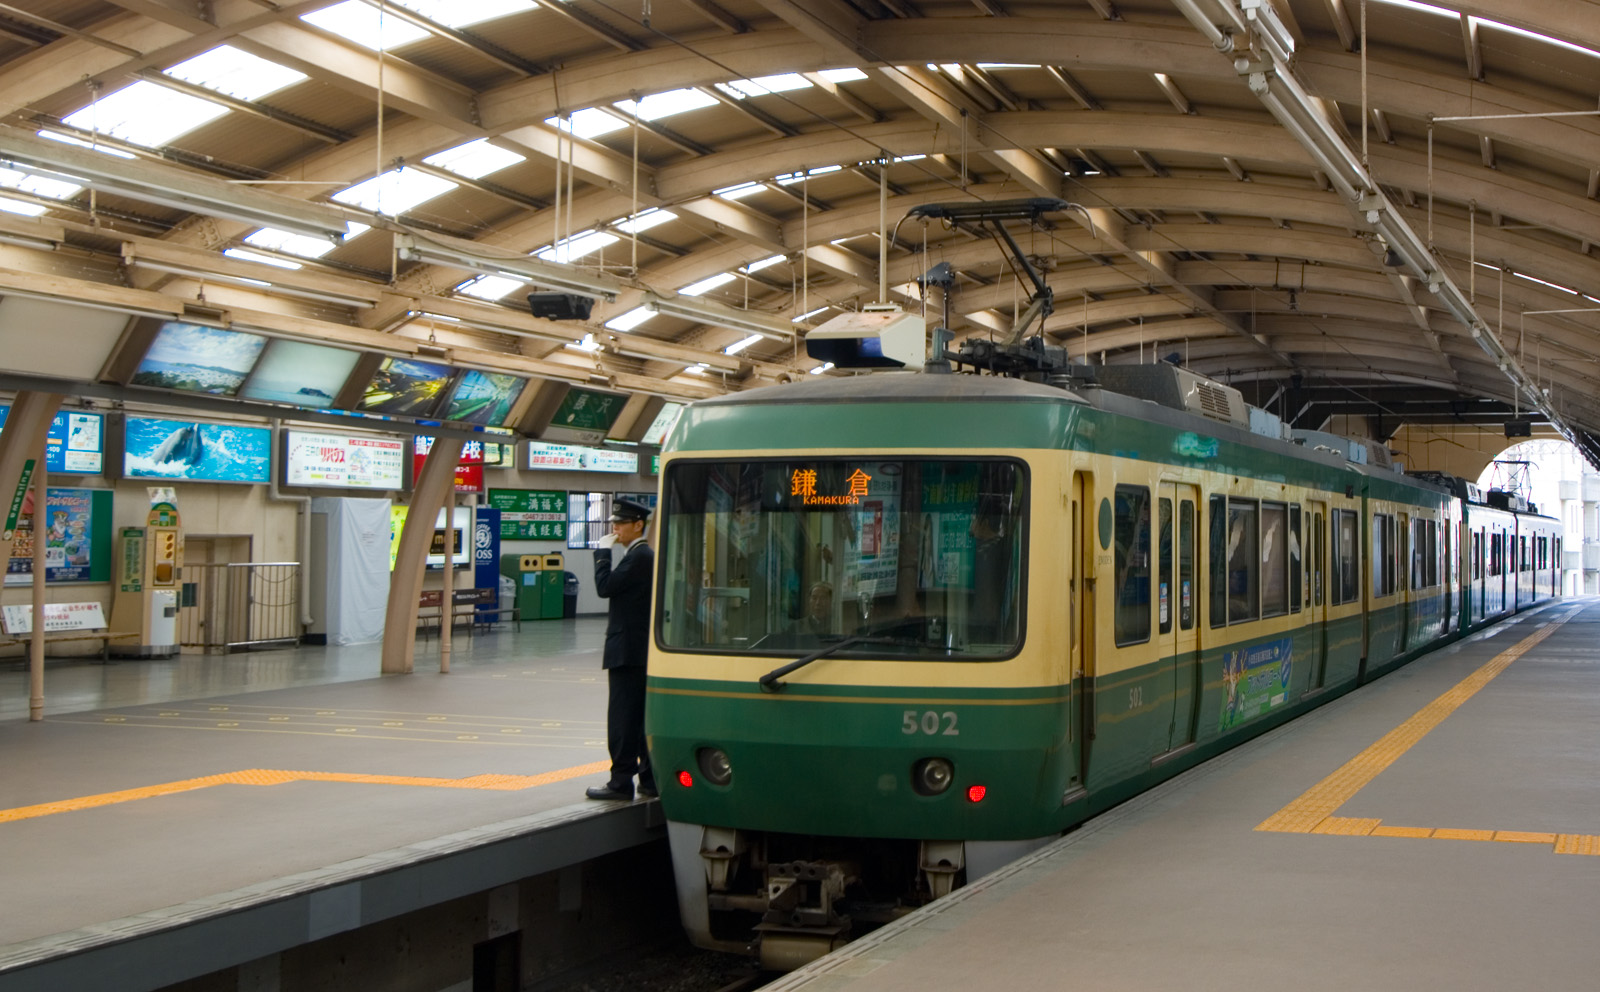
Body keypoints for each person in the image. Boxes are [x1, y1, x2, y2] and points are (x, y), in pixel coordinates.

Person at [586, 498, 657, 801]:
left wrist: (602, 554)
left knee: (622, 719)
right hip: (638, 650)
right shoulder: (642, 555)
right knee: (640, 719)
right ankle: (649, 779)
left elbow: (606, 586)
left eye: (620, 523)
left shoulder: (639, 556)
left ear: (638, 525)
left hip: (627, 650)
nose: (614, 528)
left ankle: (620, 782)